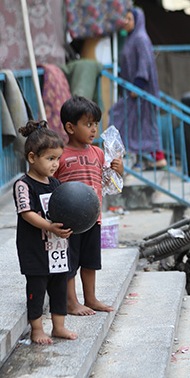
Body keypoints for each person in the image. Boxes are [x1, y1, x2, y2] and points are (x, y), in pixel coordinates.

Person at [57, 96, 124, 316]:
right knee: (69, 263)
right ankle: (71, 302)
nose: (94, 129)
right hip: (68, 222)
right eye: (88, 124)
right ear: (70, 127)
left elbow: (108, 184)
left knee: (90, 262)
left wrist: (118, 170)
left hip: (93, 218)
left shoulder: (98, 153)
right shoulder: (60, 156)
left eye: (95, 124)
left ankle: (91, 298)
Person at [13, 120, 77, 344]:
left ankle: (58, 327)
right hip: (35, 249)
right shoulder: (24, 185)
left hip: (58, 249)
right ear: (32, 158)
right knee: (37, 290)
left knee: (59, 288)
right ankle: (37, 329)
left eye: (57, 159)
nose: (55, 164)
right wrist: (49, 226)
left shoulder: (56, 185)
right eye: (50, 159)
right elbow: (26, 213)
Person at [110, 8, 166, 169]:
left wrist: (138, 85)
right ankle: (152, 157)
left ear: (137, 21)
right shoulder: (131, 39)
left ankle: (122, 152)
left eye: (129, 19)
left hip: (141, 91)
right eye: (125, 18)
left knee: (123, 116)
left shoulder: (141, 39)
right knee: (139, 124)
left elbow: (144, 63)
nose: (125, 22)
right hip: (133, 91)